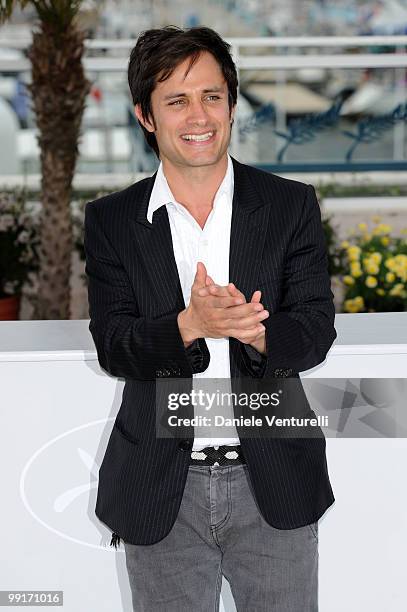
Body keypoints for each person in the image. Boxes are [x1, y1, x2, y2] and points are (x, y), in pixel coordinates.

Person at [84, 25, 337, 612]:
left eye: (212, 96)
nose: (198, 115)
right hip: (160, 490)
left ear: (231, 103)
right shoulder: (113, 221)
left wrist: (259, 334)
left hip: (273, 479)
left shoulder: (288, 203)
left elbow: (316, 329)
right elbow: (114, 345)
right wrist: (188, 327)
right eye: (176, 100)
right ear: (146, 116)